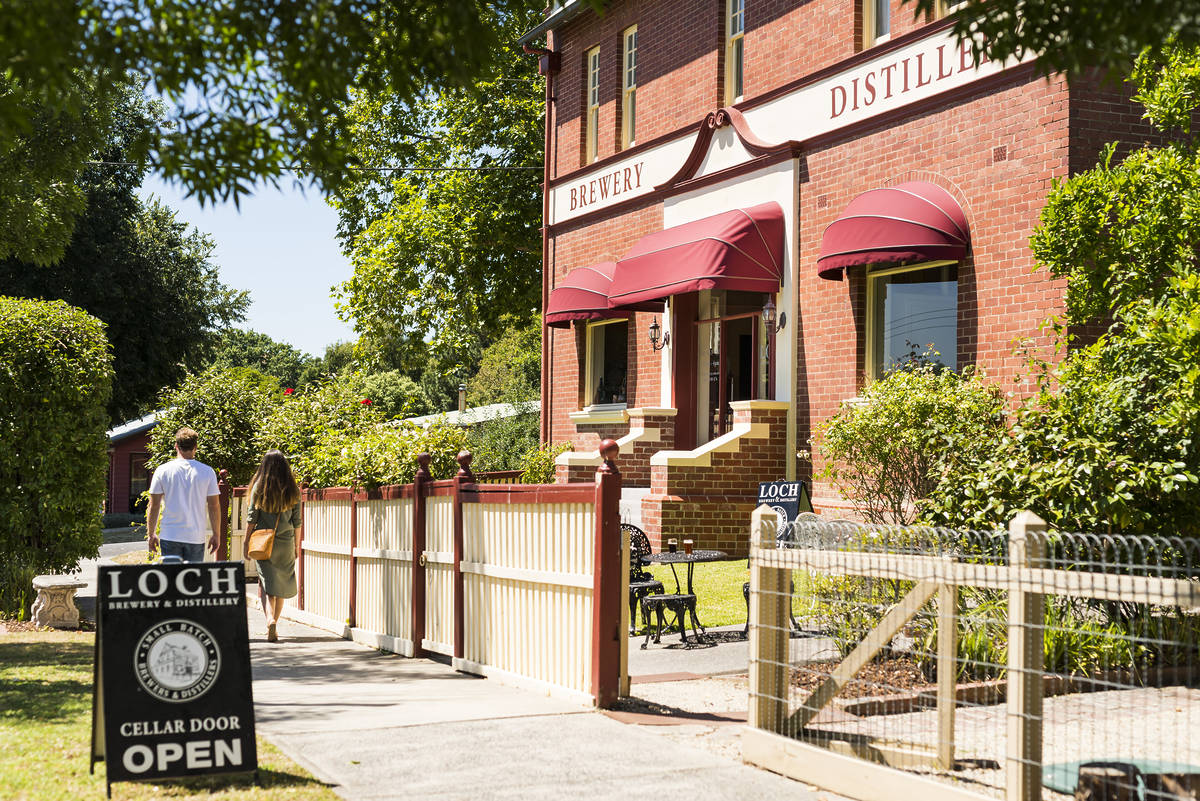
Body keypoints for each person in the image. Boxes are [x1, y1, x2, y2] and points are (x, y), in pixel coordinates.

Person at [243, 449, 302, 643]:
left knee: (266, 585)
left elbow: (252, 518)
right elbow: (297, 521)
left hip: (263, 542)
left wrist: (246, 542)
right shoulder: (292, 488)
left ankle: (269, 619)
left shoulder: (259, 487)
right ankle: (275, 623)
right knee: (281, 585)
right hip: (286, 542)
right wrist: (296, 546)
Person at [146, 428, 221, 563]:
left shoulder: (162, 470)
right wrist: (216, 534)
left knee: (171, 580)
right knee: (192, 581)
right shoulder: (207, 472)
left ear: (176, 446)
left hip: (170, 534)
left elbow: (154, 505)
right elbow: (214, 505)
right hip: (195, 536)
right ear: (195, 447)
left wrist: (151, 534)